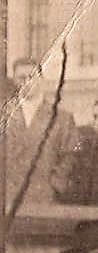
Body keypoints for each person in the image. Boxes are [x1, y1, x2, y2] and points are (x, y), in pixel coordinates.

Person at [5, 57, 77, 207]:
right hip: (6, 198)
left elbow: (70, 155)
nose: (27, 82)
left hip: (43, 198)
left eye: (31, 77)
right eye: (21, 78)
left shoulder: (62, 118)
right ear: (14, 81)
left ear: (41, 79)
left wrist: (54, 186)